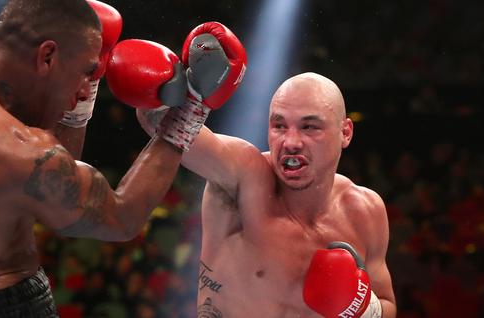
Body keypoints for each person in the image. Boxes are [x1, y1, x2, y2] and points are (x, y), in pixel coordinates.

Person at [0, 0, 243, 317]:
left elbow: (54, 176)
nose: (88, 90)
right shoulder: (16, 151)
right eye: (87, 72)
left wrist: (76, 106)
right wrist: (190, 110)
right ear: (47, 56)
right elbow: (121, 217)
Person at [135, 72, 397, 317]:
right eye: (279, 126)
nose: (291, 142)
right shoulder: (241, 177)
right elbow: (157, 119)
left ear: (345, 132)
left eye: (309, 127)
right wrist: (184, 81)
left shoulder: (365, 211)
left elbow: (388, 305)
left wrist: (363, 308)